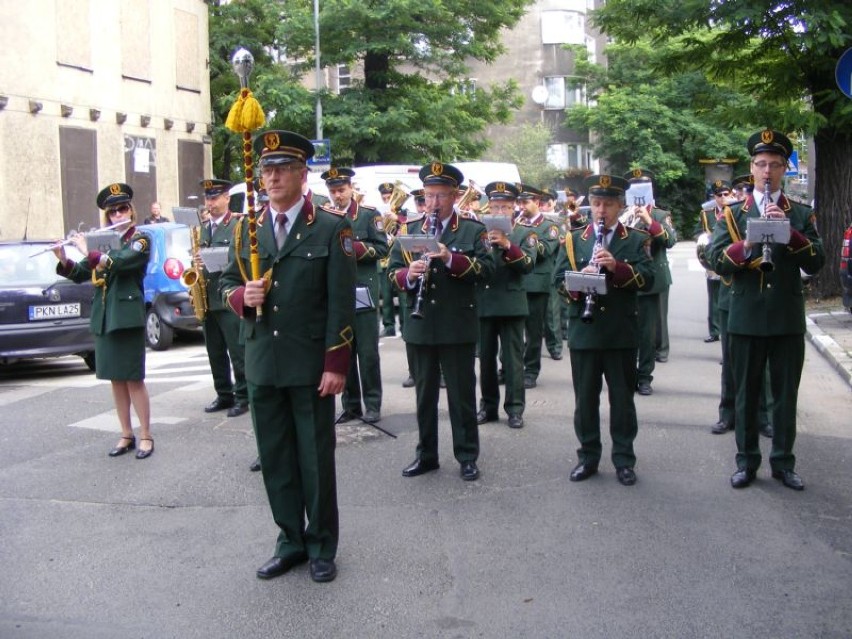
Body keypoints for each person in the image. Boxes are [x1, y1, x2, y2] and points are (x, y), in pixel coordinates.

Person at [219, 130, 356, 582]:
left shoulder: (332, 227)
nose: (272, 177)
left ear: (302, 173)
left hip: (311, 364)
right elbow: (222, 285)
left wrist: (336, 364)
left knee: (315, 459)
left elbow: (342, 302)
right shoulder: (246, 227)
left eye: (281, 169)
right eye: (266, 169)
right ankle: (289, 540)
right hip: (262, 362)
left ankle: (321, 544)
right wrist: (243, 294)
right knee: (275, 457)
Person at [708, 129, 824, 490]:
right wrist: (747, 244)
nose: (768, 171)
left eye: (775, 165)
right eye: (761, 164)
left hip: (786, 319)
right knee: (746, 394)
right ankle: (746, 461)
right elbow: (714, 259)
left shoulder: (801, 214)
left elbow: (817, 261)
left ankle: (783, 462)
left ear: (784, 170)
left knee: (785, 397)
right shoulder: (732, 215)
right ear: (752, 168)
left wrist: (793, 236)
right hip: (744, 319)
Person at [387, 162, 495, 481]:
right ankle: (427, 455)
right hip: (421, 325)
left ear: (454, 196)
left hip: (456, 324)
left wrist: (450, 258)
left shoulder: (473, 230)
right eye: (429, 196)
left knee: (461, 396)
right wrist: (409, 275)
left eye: (441, 196)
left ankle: (466, 456)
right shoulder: (411, 230)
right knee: (424, 397)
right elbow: (392, 272)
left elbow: (487, 270)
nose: (433, 203)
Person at [554, 174, 654, 486]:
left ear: (620, 205)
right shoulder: (573, 239)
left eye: (608, 204)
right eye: (596, 203)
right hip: (584, 332)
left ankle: (624, 459)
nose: (601, 210)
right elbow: (557, 282)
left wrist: (616, 268)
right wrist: (578, 280)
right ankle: (588, 457)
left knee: (622, 400)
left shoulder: (636, 239)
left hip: (620, 332)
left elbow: (648, 279)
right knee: (585, 400)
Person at [54, 183, 154, 459]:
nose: (118, 215)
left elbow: (120, 262)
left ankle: (145, 434)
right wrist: (63, 258)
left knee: (133, 378)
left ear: (131, 210)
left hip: (126, 316)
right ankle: (126, 433)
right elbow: (81, 272)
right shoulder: (100, 240)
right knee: (115, 379)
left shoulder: (140, 238)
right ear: (107, 216)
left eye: (123, 208)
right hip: (105, 316)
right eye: (113, 211)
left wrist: (88, 248)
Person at [322, 167, 388, 424]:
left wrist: (354, 249)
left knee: (368, 352)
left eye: (341, 190)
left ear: (351, 189)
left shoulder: (369, 216)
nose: (337, 195)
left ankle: (373, 403)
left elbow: (382, 248)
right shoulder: (325, 218)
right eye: (333, 191)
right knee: (343, 350)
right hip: (338, 294)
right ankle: (350, 405)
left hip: (364, 292)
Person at [476, 182, 536, 429]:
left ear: (514, 208)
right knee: (486, 360)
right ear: (489, 207)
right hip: (485, 302)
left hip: (512, 304)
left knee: (513, 361)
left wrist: (507, 245)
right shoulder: (479, 232)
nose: (499, 212)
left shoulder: (524, 233)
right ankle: (488, 407)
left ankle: (514, 409)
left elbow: (528, 264)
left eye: (505, 207)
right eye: (495, 206)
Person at [197, 179, 249, 419]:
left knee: (236, 350)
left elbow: (241, 259)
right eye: (208, 198)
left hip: (228, 296)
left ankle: (243, 395)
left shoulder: (238, 224)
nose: (211, 203)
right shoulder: (203, 228)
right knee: (214, 350)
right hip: (208, 298)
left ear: (227, 198)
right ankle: (223, 392)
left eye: (215, 198)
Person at [623, 169, 677, 395]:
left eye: (642, 187)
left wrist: (648, 221)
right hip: (625, 279)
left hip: (651, 281)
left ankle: (644, 376)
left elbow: (670, 240)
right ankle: (626, 375)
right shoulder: (622, 214)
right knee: (626, 332)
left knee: (646, 334)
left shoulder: (659, 214)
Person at [518, 186, 561, 388]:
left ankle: (531, 371)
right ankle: (508, 368)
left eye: (525, 202)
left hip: (537, 284)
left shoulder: (549, 227)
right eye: (519, 202)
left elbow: (543, 251)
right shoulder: (515, 224)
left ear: (537, 202)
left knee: (533, 332)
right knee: (512, 331)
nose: (521, 207)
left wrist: (523, 237)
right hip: (515, 282)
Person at [695, 180, 731, 343]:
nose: (723, 197)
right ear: (714, 197)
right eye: (719, 195)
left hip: (729, 257)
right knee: (713, 295)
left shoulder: (734, 210)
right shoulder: (706, 213)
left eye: (726, 194)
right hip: (712, 256)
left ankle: (726, 331)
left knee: (727, 296)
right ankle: (714, 330)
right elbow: (698, 232)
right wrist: (703, 240)